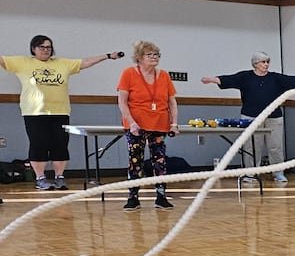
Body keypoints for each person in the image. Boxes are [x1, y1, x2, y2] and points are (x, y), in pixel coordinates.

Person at [1, 35, 122, 195]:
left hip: (60, 111)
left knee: (60, 144)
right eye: (42, 47)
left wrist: (107, 56)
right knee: (38, 145)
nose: (45, 50)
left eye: (48, 47)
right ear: (33, 49)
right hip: (34, 113)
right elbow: (2, 61)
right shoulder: (23, 63)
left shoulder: (62, 63)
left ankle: (59, 177)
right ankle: (40, 178)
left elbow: (85, 62)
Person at [201, 52, 295, 183]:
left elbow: (293, 80)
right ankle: (250, 173)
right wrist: (211, 80)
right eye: (263, 62)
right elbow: (227, 79)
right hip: (251, 117)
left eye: (267, 62)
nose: (266, 64)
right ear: (255, 64)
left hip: (274, 117)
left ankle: (278, 173)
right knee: (252, 146)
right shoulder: (245, 77)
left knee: (275, 146)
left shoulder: (275, 78)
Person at [115, 41, 178, 211]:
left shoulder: (164, 75)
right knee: (136, 161)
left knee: (160, 161)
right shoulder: (129, 73)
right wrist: (132, 122)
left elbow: (172, 101)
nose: (154, 57)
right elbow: (122, 102)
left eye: (156, 54)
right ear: (139, 58)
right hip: (136, 124)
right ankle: (133, 197)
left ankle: (161, 196)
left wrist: (174, 123)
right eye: (150, 55)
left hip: (159, 123)